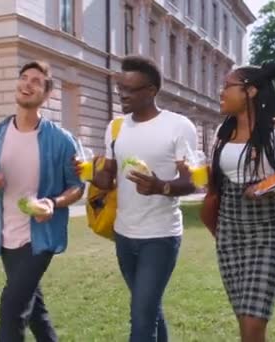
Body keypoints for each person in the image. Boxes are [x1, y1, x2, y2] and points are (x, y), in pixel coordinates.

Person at [79, 56, 198, 342]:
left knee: (141, 318)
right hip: (124, 235)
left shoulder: (179, 126)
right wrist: (88, 173)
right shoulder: (116, 128)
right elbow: (108, 178)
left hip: (160, 237)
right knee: (149, 310)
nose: (122, 94)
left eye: (130, 89)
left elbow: (192, 181)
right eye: (120, 88)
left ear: (151, 91)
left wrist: (161, 187)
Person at [0, 61, 84, 342]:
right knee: (36, 313)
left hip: (40, 237)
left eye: (36, 81)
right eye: (24, 78)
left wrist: (53, 203)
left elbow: (77, 186)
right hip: (5, 237)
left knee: (12, 308)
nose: (27, 84)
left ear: (46, 94)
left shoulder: (62, 140)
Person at [209, 61, 275, 342]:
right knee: (244, 319)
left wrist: (270, 188)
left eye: (227, 86)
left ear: (250, 91)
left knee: (254, 323)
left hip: (267, 231)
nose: (221, 92)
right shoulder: (222, 134)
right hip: (229, 232)